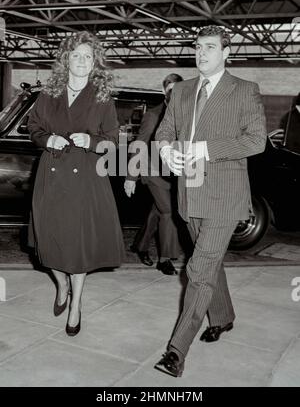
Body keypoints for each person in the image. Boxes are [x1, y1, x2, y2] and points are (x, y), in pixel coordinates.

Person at [154, 25, 267, 377]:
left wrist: (205, 149)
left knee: (199, 269)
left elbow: (256, 141)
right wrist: (166, 150)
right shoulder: (182, 91)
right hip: (189, 193)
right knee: (211, 262)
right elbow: (163, 133)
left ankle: (176, 350)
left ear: (226, 52)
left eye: (210, 48)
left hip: (224, 196)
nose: (202, 53)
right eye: (198, 47)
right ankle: (223, 317)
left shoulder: (244, 91)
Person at [28, 31, 124, 336]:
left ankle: (76, 305)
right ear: (66, 59)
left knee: (78, 245)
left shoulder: (102, 97)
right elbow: (33, 126)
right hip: (52, 175)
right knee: (48, 240)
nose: (82, 61)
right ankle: (61, 284)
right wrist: (47, 139)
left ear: (94, 62)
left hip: (85, 179)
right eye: (76, 55)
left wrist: (92, 141)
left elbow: (112, 142)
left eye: (88, 56)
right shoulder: (49, 93)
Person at [124, 73, 183, 275]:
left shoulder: (184, 114)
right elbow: (139, 145)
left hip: (171, 172)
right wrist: (131, 177)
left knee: (157, 211)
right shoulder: (154, 115)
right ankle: (164, 260)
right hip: (151, 171)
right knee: (169, 211)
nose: (175, 94)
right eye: (171, 90)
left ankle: (139, 245)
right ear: (163, 91)